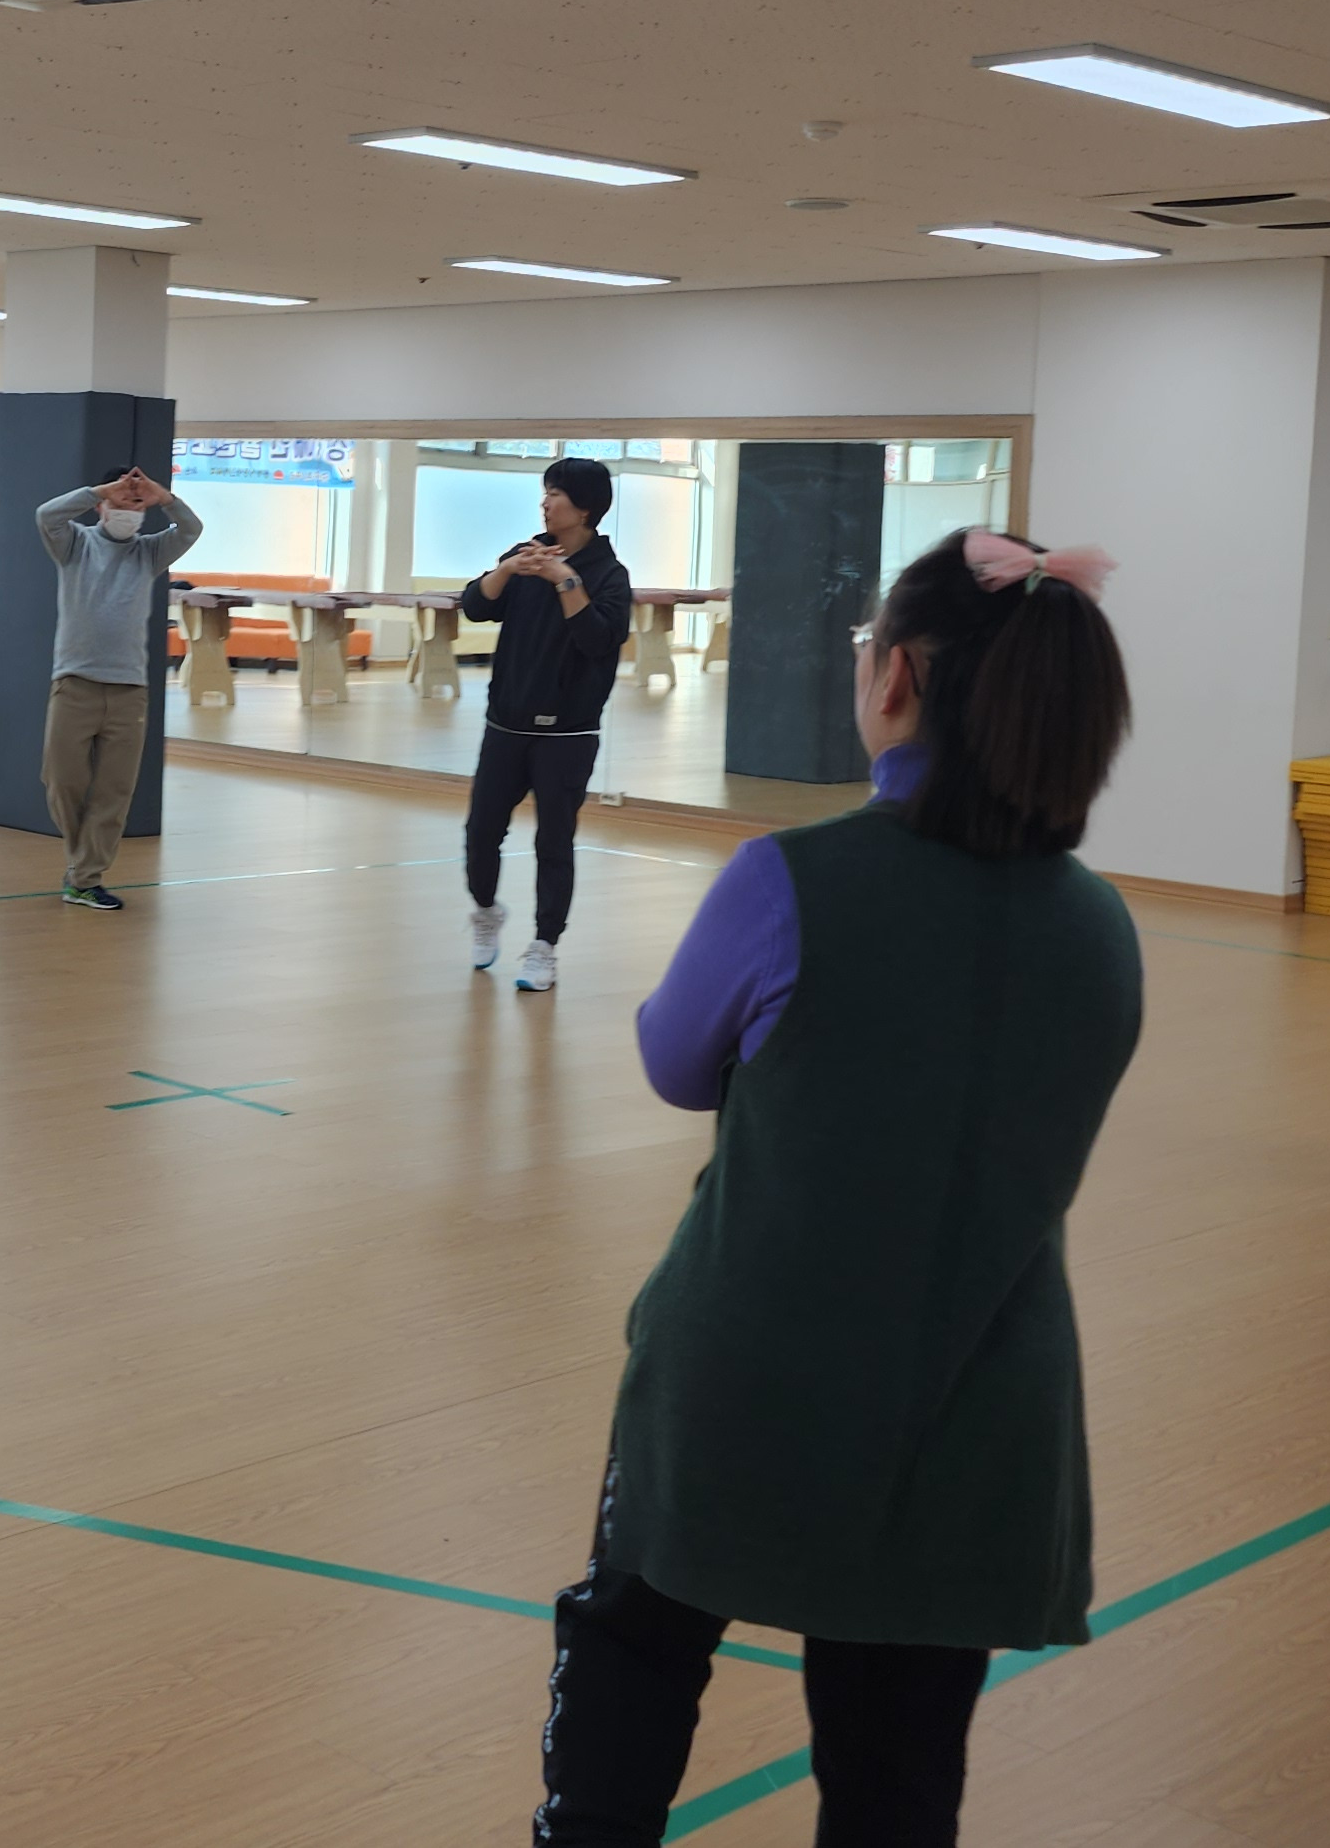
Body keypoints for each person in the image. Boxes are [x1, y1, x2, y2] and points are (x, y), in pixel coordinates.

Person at [534, 528, 1137, 1847]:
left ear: (897, 675)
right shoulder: (1101, 925)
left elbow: (674, 1063)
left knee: (634, 1658)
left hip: (748, 1374)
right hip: (979, 1393)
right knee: (898, 1765)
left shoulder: (792, 878)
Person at [463, 456, 633, 992]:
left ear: (584, 509)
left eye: (556, 494)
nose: (545, 502)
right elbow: (474, 606)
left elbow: (598, 639)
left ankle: (544, 946)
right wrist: (508, 569)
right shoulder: (525, 556)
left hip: (568, 733)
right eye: (545, 492)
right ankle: (486, 910)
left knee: (554, 843)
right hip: (506, 725)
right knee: (480, 832)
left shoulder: (609, 575)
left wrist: (565, 580)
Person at [33, 465, 205, 909]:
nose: (130, 509)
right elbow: (46, 515)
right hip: (75, 684)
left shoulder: (149, 552)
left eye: (138, 504)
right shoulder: (75, 544)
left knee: (115, 790)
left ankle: (85, 877)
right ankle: (81, 860)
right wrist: (100, 490)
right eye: (122, 501)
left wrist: (164, 498)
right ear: (102, 506)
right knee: (61, 780)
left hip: (129, 691)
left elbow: (192, 529)